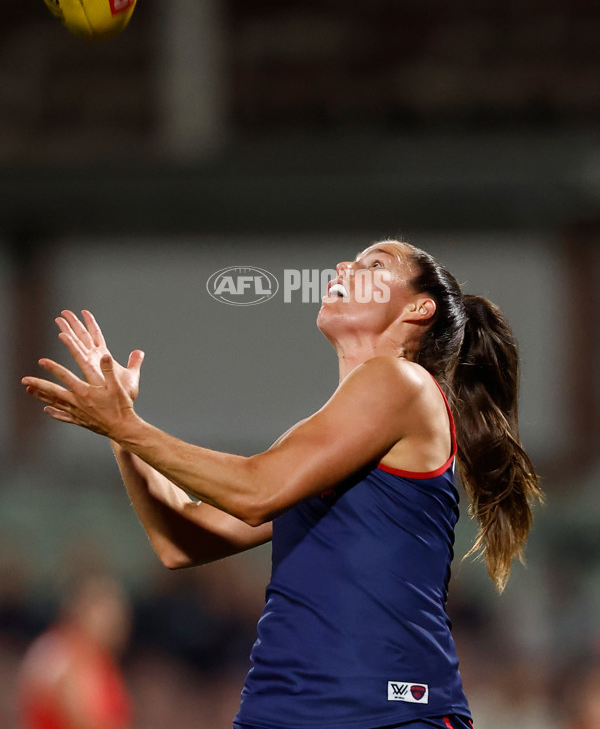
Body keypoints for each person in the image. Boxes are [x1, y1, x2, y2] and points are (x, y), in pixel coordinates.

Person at [22, 239, 543, 729]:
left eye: (375, 265)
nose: (344, 269)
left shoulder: (403, 382)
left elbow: (254, 493)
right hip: (283, 708)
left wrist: (126, 426)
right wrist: (122, 431)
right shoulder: (317, 439)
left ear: (417, 310)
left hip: (386, 708)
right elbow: (181, 540)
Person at [18, 572, 132, 729]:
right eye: (107, 612)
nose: (117, 622)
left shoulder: (99, 657)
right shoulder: (61, 652)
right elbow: (82, 718)